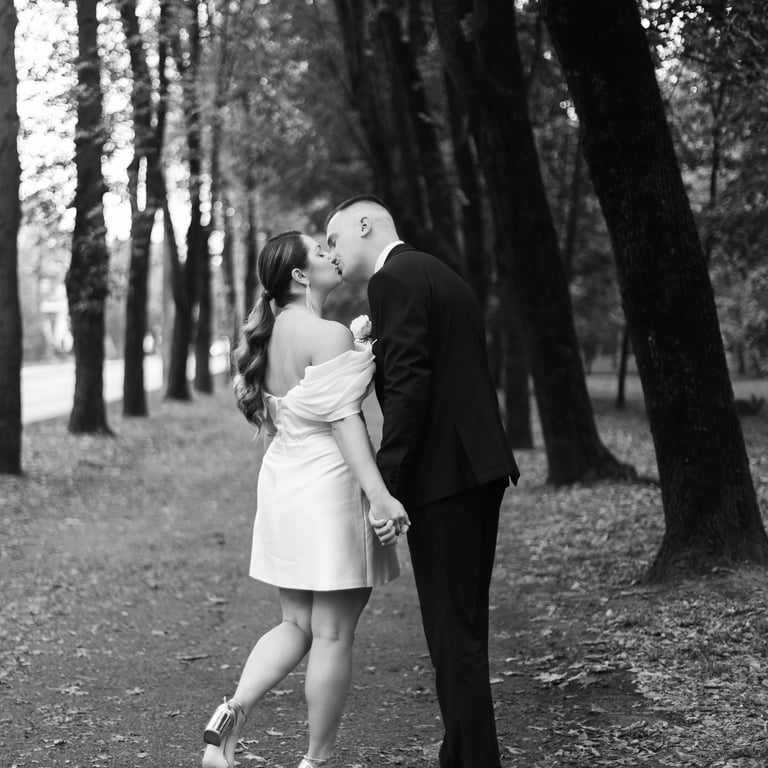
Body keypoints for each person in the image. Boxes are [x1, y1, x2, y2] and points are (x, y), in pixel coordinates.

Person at [201, 231, 409, 768]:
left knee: (296, 624)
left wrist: (354, 343)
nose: (331, 255)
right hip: (328, 486)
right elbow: (343, 420)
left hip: (284, 484)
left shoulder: (268, 338)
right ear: (299, 275)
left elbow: (301, 404)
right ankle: (315, 762)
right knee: (332, 632)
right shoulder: (327, 334)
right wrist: (380, 496)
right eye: (320, 252)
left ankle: (229, 715)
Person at [326, 197, 521, 768]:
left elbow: (410, 384)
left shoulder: (392, 280)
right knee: (464, 628)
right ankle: (464, 753)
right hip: (479, 468)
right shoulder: (439, 273)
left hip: (444, 476)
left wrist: (384, 482)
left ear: (365, 225)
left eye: (334, 239)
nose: (331, 253)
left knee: (451, 634)